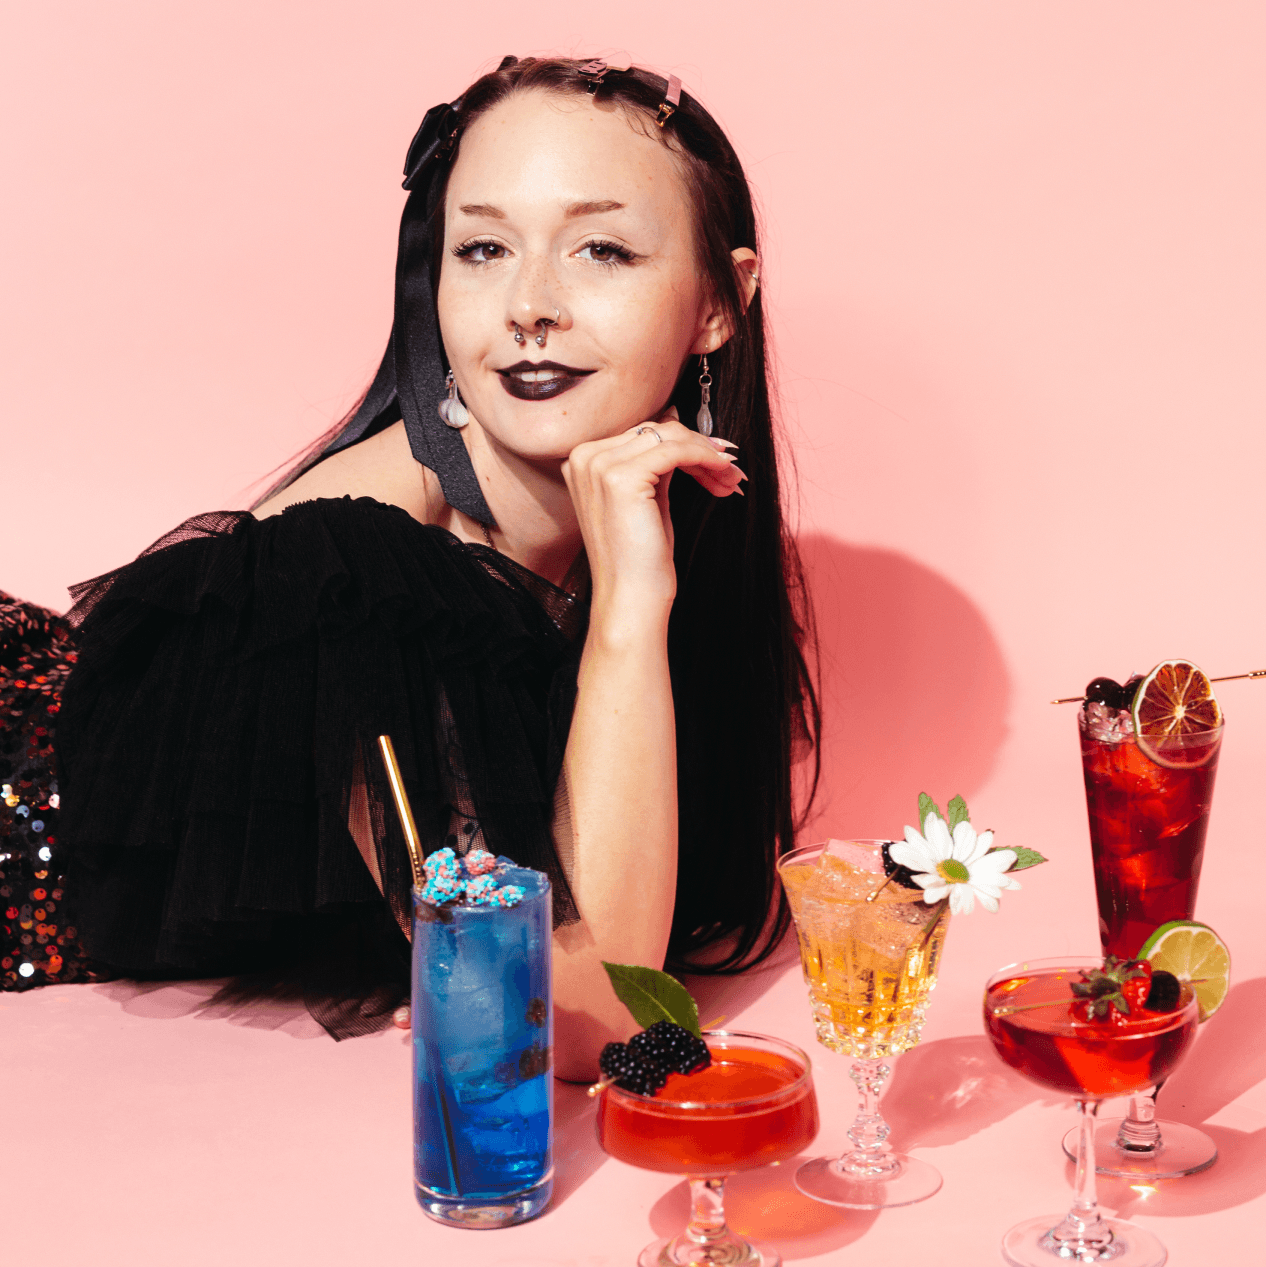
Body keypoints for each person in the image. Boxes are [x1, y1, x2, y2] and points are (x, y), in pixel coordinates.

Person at [6, 56, 818, 1081]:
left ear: (720, 301)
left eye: (601, 248)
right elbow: (582, 1023)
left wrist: (630, 596)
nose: (529, 305)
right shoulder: (347, 572)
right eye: (481, 248)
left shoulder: (656, 519)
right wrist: (628, 615)